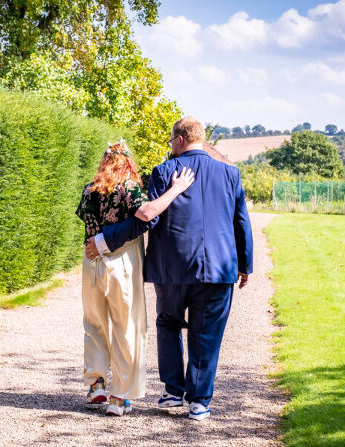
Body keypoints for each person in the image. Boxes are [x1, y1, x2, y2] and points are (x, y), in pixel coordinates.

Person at [85, 117, 253, 421]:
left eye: (171, 141)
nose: (171, 146)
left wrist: (104, 240)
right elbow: (240, 220)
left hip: (172, 268)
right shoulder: (230, 173)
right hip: (219, 269)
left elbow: (149, 218)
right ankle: (199, 402)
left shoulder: (164, 172)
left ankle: (173, 391)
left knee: (168, 324)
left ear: (179, 140)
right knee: (207, 334)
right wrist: (245, 264)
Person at [75, 140, 195, 417]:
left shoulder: (89, 190)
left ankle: (96, 384)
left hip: (91, 261)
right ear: (129, 163)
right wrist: (177, 189)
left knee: (94, 323)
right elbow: (146, 213)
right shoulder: (129, 188)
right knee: (127, 325)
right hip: (122, 262)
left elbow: (89, 222)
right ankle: (120, 396)